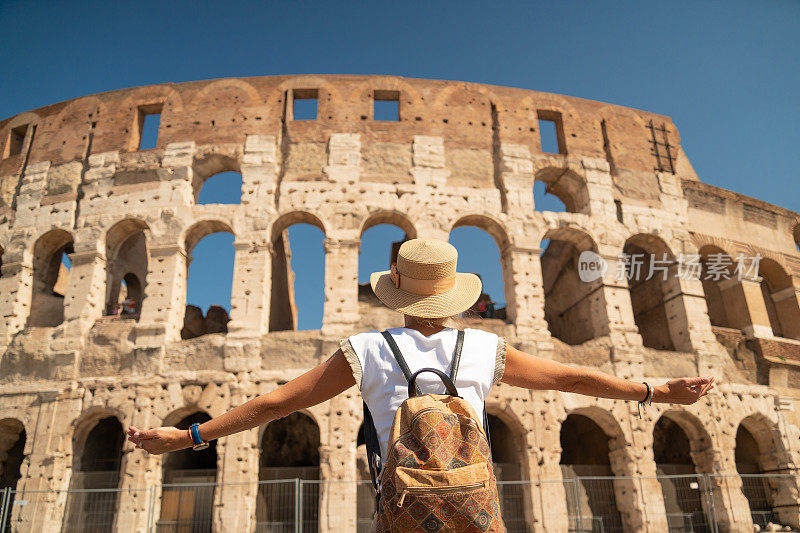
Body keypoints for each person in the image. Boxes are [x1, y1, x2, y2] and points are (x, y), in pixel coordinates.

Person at [128, 239, 714, 526]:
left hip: (405, 504)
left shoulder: (367, 350)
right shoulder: (484, 347)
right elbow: (568, 378)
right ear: (453, 294)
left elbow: (275, 403)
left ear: (399, 294)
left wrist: (188, 439)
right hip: (471, 501)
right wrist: (655, 392)